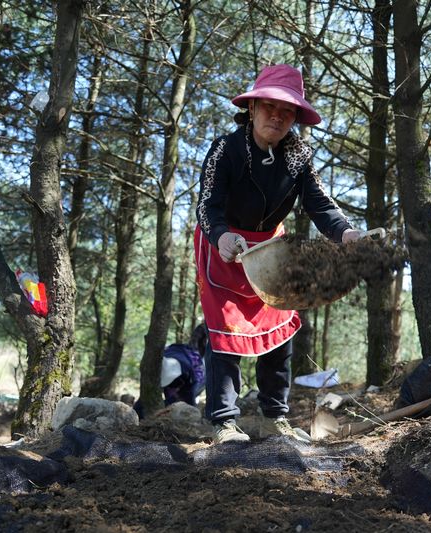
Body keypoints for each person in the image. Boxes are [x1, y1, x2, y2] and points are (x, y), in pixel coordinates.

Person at [195, 64, 364, 444]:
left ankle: (275, 417)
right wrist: (221, 236)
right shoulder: (226, 148)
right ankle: (224, 421)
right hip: (223, 247)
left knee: (279, 327)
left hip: (272, 249)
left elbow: (320, 204)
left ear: (294, 118)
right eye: (269, 107)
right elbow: (208, 204)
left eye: (286, 111)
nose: (276, 116)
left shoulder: (299, 155)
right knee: (225, 332)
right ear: (252, 109)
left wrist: (346, 233)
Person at [133, 324, 207, 419]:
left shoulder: (192, 370)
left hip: (185, 375)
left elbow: (189, 399)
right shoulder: (164, 359)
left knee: (175, 403)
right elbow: (146, 398)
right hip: (171, 368)